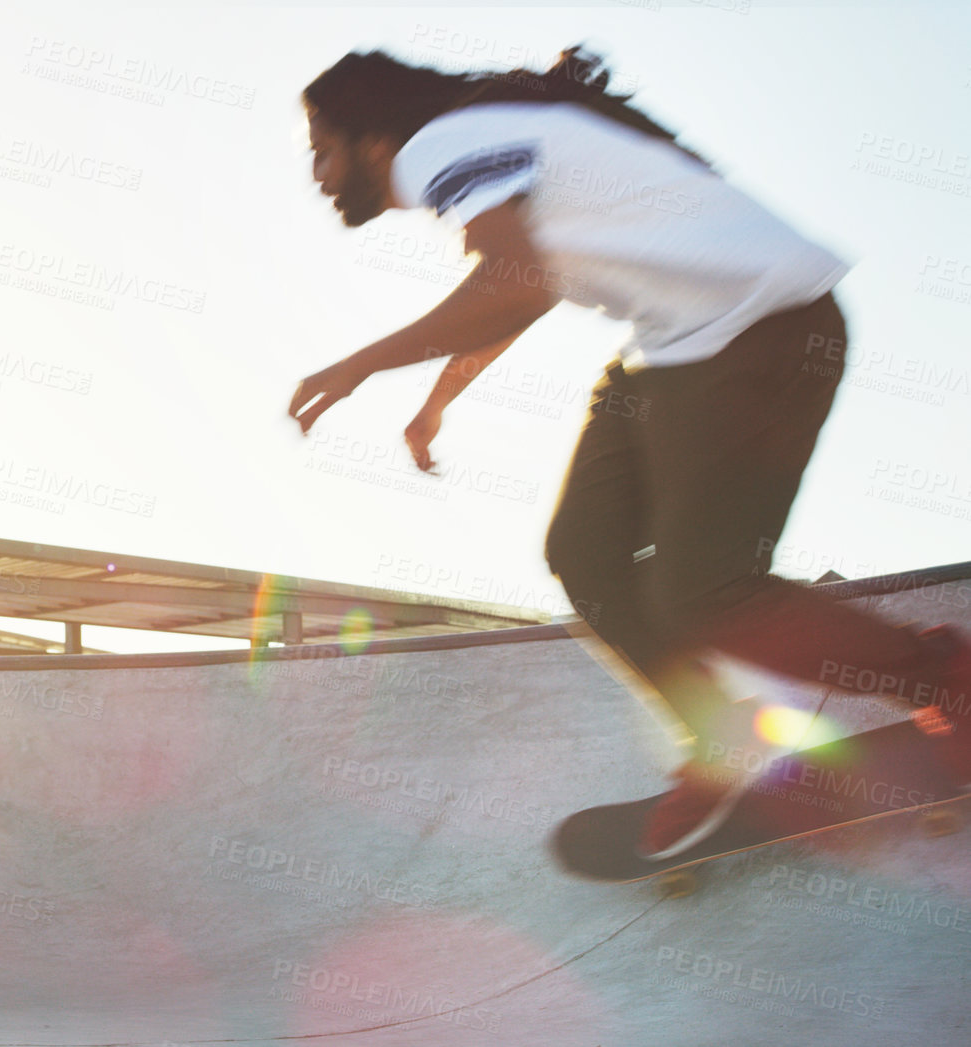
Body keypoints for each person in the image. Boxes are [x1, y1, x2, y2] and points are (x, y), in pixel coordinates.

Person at [287, 45, 971, 859]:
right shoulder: (484, 140)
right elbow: (520, 283)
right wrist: (440, 396)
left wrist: (363, 361)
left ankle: (940, 677)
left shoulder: (440, 143)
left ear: (373, 143)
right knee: (584, 551)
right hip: (674, 346)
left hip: (764, 327)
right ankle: (723, 739)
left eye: (322, 148)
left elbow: (514, 284)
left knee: (706, 589)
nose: (318, 172)